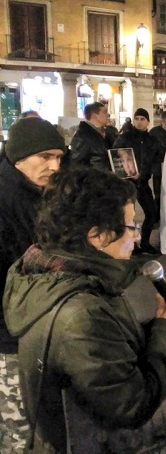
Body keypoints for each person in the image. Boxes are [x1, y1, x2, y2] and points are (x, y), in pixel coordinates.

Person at [3, 167, 166, 453]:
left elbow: (107, 347)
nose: (136, 236)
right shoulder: (79, 312)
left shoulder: (54, 275)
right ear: (97, 235)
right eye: (131, 226)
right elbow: (131, 404)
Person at [0, 117, 66, 452]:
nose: (54, 166)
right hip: (10, 336)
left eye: (59, 157)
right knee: (17, 428)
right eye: (46, 157)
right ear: (20, 157)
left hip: (32, 326)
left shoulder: (36, 192)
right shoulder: (5, 199)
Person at [113, 108, 163, 254]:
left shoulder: (152, 140)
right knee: (129, 215)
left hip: (142, 183)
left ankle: (145, 243)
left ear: (148, 121)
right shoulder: (125, 137)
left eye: (142, 119)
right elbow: (115, 154)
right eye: (137, 119)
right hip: (127, 184)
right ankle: (132, 245)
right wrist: (127, 171)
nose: (139, 122)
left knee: (151, 212)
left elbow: (162, 155)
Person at [69, 101, 115, 171]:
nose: (108, 115)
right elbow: (77, 164)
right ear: (94, 116)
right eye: (104, 112)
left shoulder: (108, 132)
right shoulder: (82, 135)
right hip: (95, 179)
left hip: (108, 178)